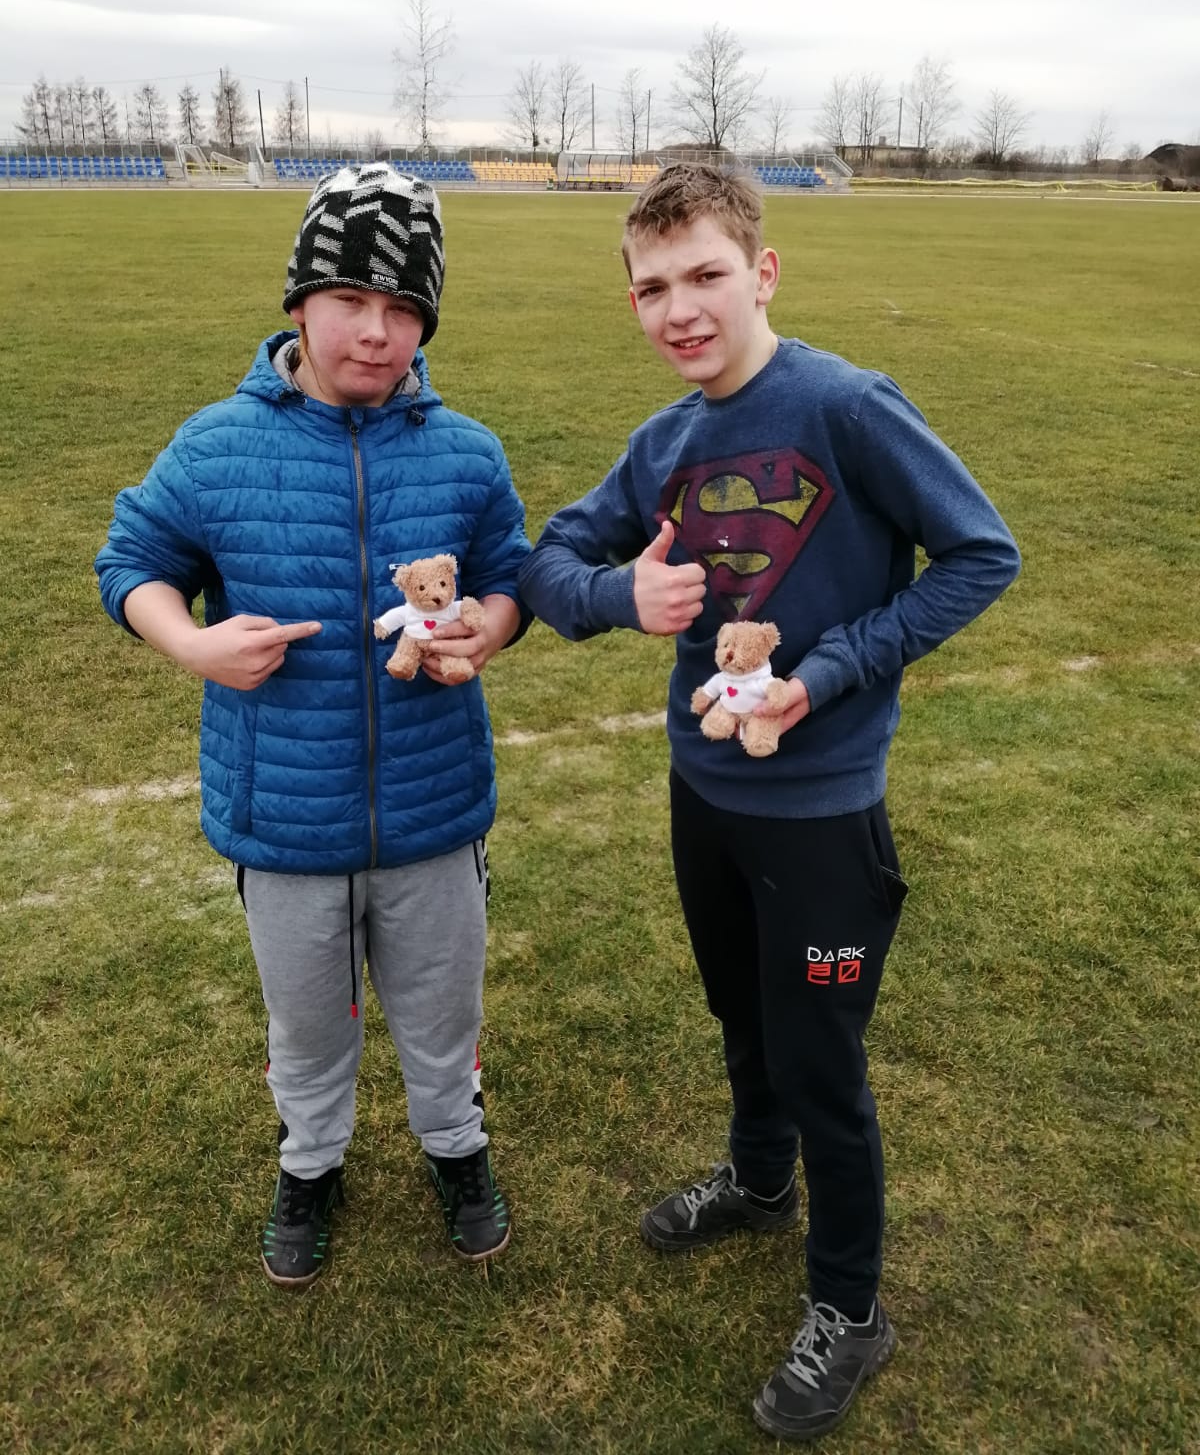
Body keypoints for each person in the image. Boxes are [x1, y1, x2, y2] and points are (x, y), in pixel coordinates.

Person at [518, 163, 1020, 1442]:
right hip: (706, 798)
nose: (680, 309)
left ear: (764, 273)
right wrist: (620, 596)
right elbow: (549, 559)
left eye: (706, 275)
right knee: (740, 1014)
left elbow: (981, 553)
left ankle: (850, 1308)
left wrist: (830, 671)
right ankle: (758, 1180)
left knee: (819, 1060)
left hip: (824, 817)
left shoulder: (846, 405)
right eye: (653, 288)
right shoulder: (665, 446)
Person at [96, 163, 529, 1286]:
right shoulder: (215, 447)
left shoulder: (467, 453)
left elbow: (511, 577)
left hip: (434, 810)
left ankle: (456, 1145)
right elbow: (131, 562)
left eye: (403, 308)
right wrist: (193, 645)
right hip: (284, 820)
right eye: (350, 300)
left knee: (441, 1007)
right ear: (300, 302)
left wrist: (487, 629)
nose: (376, 332)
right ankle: (311, 1161)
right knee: (307, 1021)